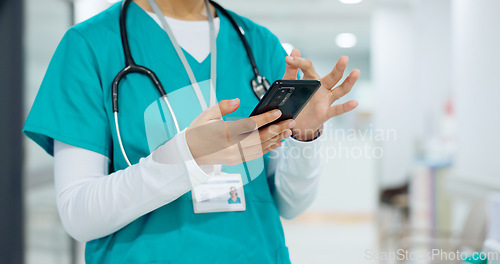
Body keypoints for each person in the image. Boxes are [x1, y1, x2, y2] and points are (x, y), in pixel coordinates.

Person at [23, 0, 360, 263]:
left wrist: (305, 138)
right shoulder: (90, 45)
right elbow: (79, 216)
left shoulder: (259, 45)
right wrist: (187, 158)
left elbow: (289, 204)